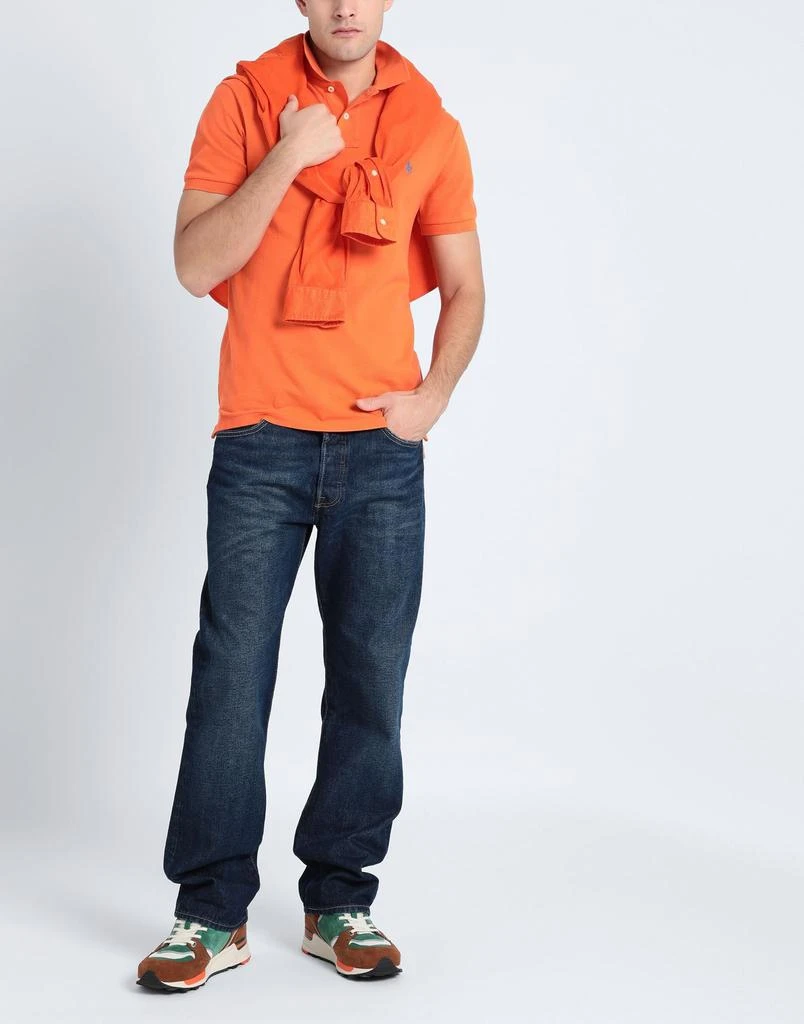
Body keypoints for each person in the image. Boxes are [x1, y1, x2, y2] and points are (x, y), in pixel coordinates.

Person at [137, 0, 484, 992]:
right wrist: (290, 153)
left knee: (371, 678)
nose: (345, 6)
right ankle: (210, 914)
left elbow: (466, 285)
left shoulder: (431, 123)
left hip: (380, 450)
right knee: (232, 675)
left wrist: (431, 398)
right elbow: (194, 263)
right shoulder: (245, 102)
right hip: (262, 439)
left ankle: (340, 901)